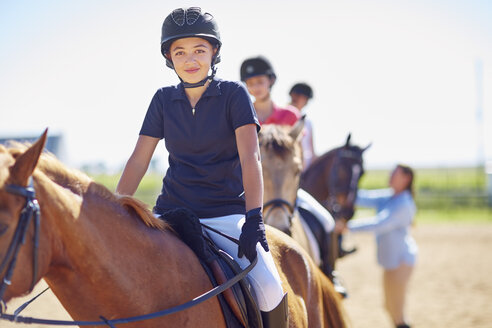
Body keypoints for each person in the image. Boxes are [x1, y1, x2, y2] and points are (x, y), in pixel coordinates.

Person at [116, 8, 286, 326]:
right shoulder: (162, 100)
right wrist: (117, 207)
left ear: (214, 52)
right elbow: (139, 159)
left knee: (269, 287)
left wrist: (254, 217)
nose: (190, 59)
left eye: (199, 50)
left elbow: (251, 158)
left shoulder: (235, 95)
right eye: (180, 52)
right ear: (169, 57)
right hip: (170, 214)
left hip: (226, 214)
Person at [240, 56, 348, 296]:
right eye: (251, 82)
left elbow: (300, 152)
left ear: (271, 82)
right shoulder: (241, 115)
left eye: (260, 81)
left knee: (326, 221)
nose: (256, 86)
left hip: (286, 188)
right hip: (252, 188)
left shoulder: (289, 116)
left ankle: (329, 274)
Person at [337, 164, 417, 328]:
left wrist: (348, 227)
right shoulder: (390, 196)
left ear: (406, 179)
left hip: (401, 261)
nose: (390, 175)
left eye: (395, 173)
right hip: (392, 261)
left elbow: (380, 223)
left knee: (397, 309)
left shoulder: (404, 204)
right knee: (389, 306)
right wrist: (343, 193)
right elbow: (364, 198)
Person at [289, 83, 316, 169]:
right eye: (296, 95)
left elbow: (311, 148)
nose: (297, 98)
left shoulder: (308, 122)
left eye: (302, 97)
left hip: (306, 165)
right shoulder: (282, 116)